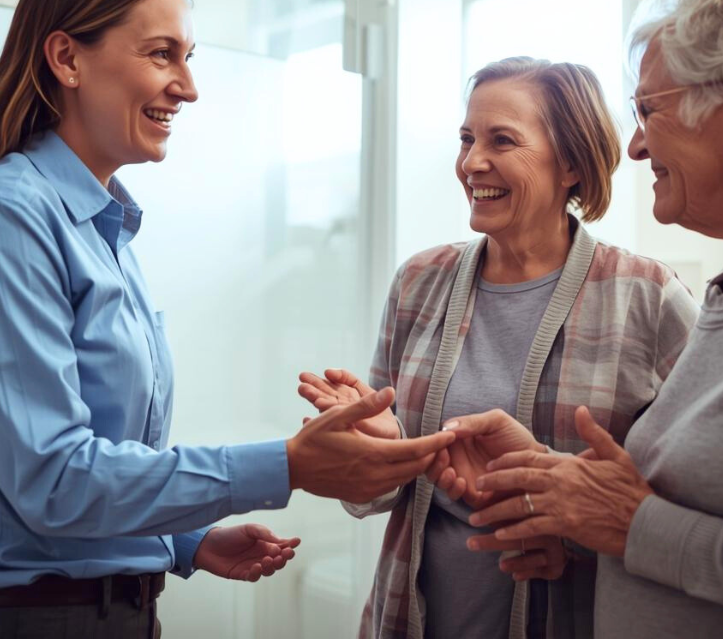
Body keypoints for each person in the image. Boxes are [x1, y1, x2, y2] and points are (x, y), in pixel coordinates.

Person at [0, 0, 454, 639]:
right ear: (67, 60)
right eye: (162, 54)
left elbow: (84, 463)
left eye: (189, 58)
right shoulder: (4, 216)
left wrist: (181, 542)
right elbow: (53, 480)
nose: (188, 86)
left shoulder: (104, 228)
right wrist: (288, 465)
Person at [465, 0, 723, 638]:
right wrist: (569, 501)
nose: (637, 143)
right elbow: (687, 513)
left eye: (649, 110)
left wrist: (634, 526)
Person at [299, 58, 699, 639]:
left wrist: (577, 548)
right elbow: (382, 494)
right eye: (466, 139)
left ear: (570, 162)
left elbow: (686, 514)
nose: (471, 162)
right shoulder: (419, 280)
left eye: (501, 140)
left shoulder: (648, 297)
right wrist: (376, 449)